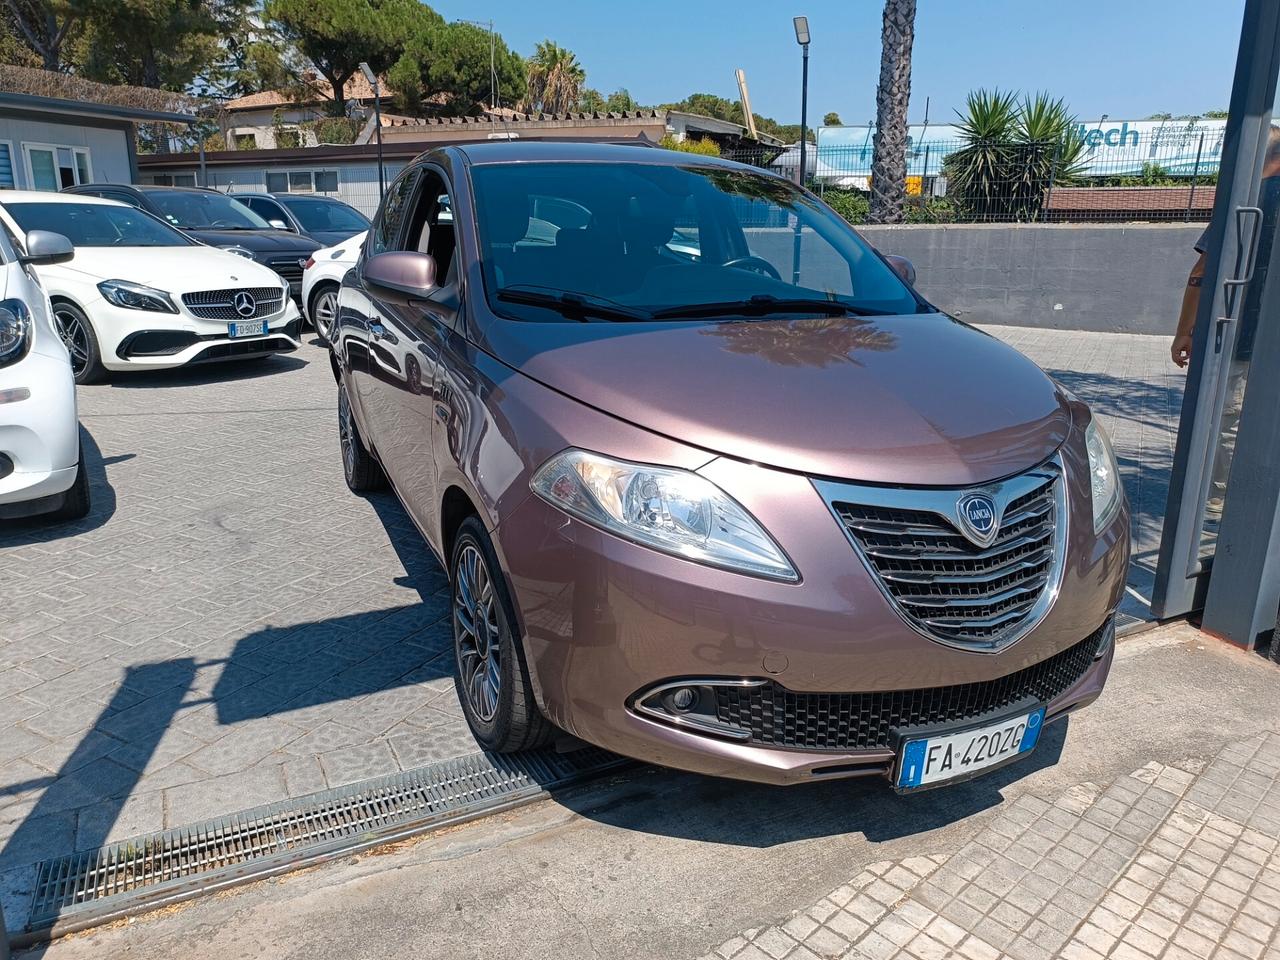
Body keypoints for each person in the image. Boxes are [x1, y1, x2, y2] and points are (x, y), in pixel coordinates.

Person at [1173, 125, 1280, 521]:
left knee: (1228, 421)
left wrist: (1184, 331)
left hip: (1239, 337)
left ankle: (1219, 502)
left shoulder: (1247, 200)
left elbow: (1201, 273)